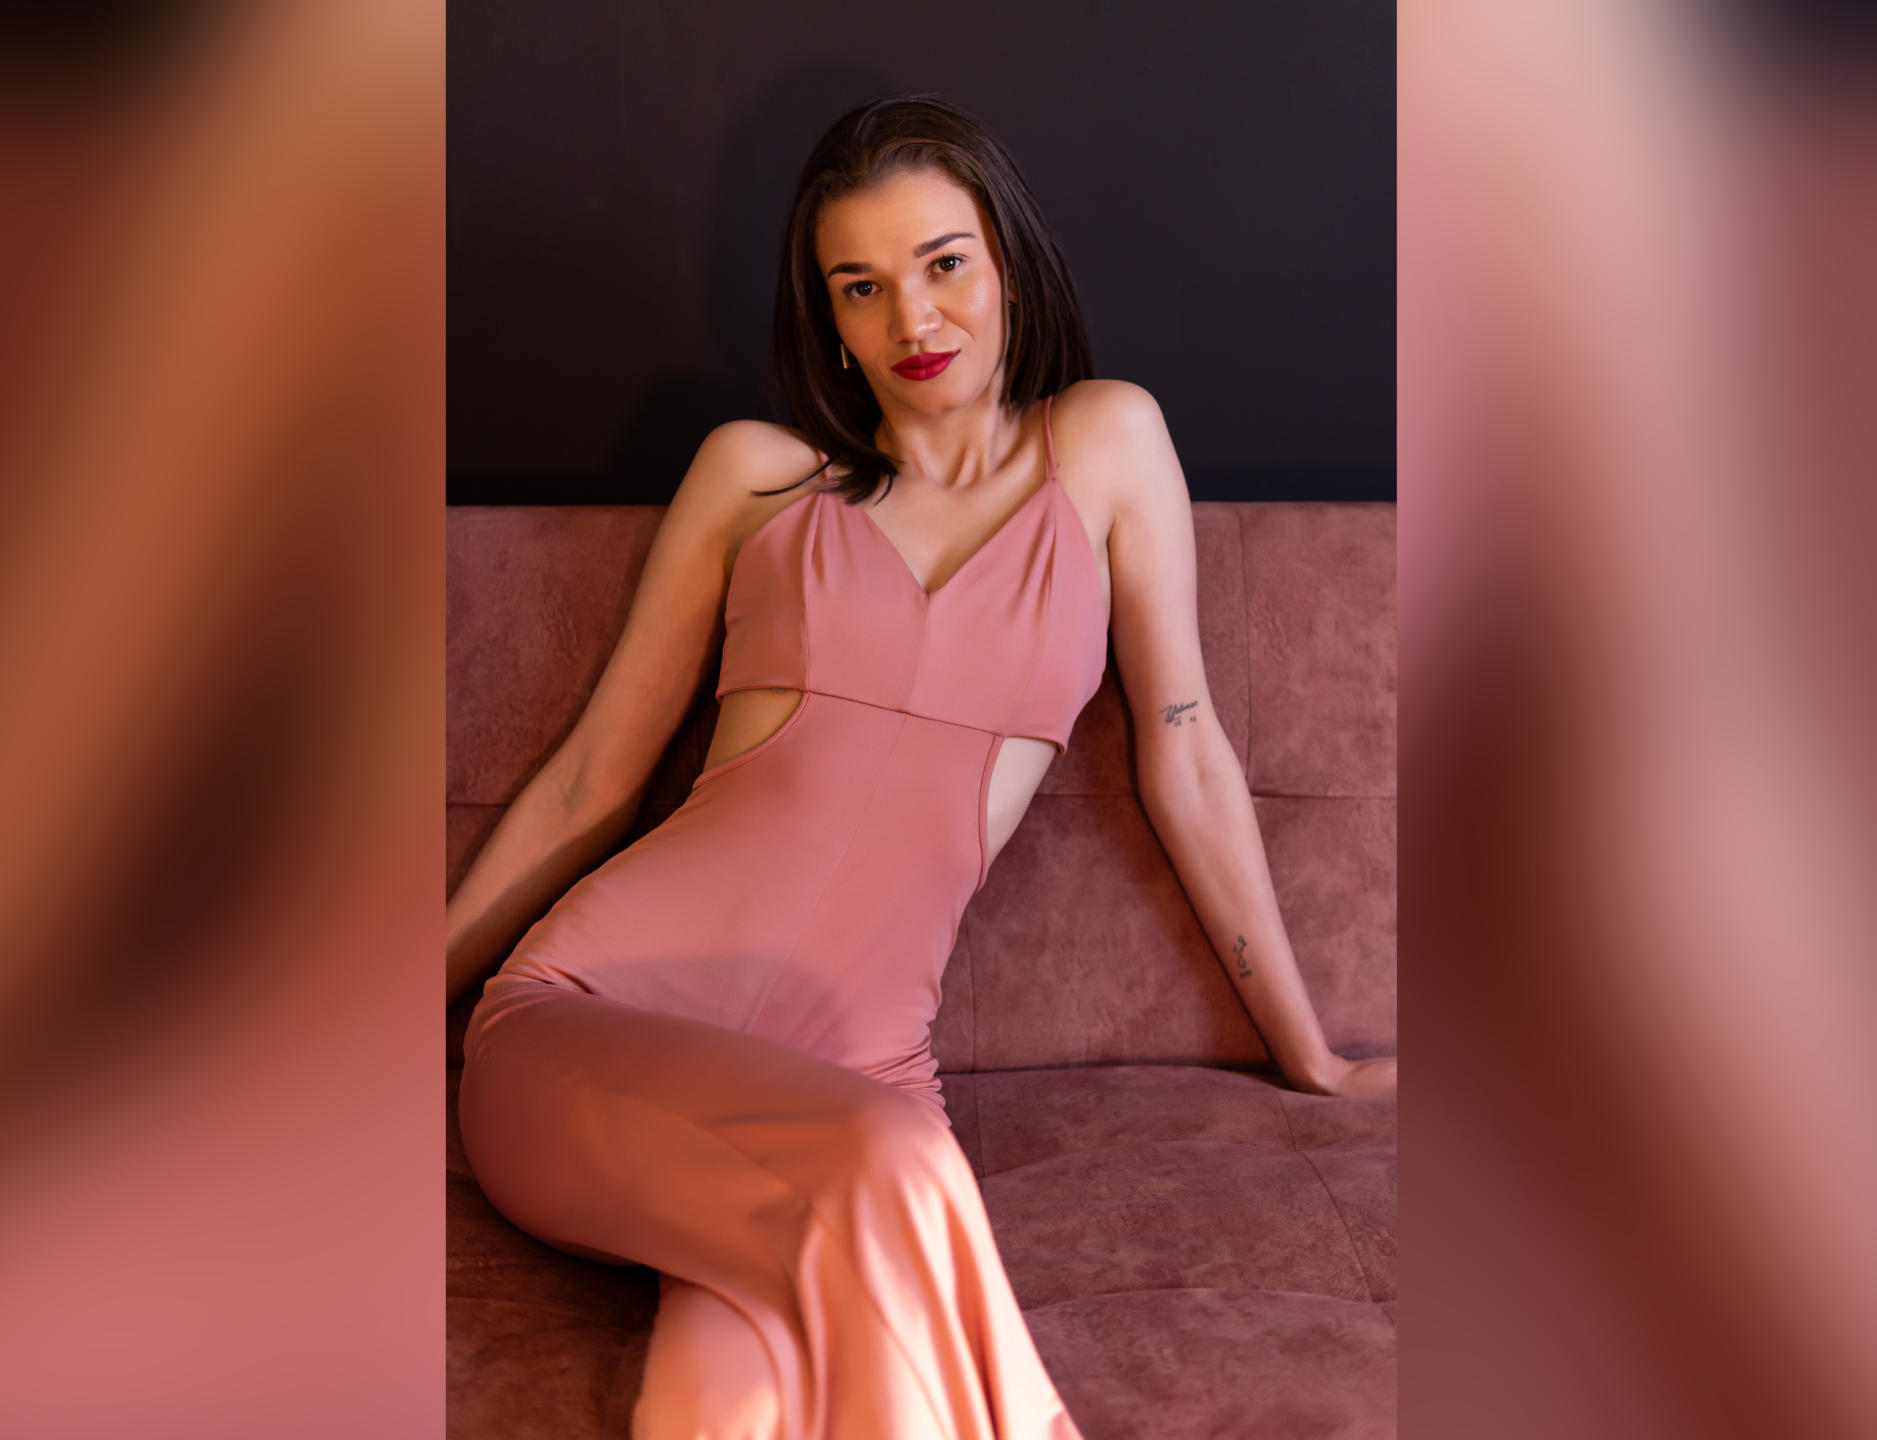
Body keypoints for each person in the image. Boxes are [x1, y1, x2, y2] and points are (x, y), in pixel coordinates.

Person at [447, 92, 1394, 1440]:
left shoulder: (1105, 445)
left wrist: (1315, 1057)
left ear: (1007, 261)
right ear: (829, 319)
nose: (914, 317)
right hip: (592, 1023)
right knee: (893, 1171)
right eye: (863, 286)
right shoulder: (759, 480)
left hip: (856, 1073)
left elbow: (1184, 755)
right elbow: (592, 773)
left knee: (739, 1395)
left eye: (945, 263)